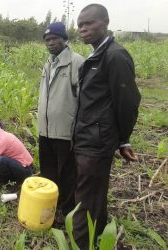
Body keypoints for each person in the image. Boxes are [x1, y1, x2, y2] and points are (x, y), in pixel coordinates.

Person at [73, 4, 141, 249]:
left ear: (105, 22)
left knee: (84, 200)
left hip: (96, 141)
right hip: (88, 137)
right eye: (80, 24)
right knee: (94, 194)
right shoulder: (95, 56)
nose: (82, 29)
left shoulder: (114, 56)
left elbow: (128, 102)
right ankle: (97, 236)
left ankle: (80, 244)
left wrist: (124, 139)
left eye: (88, 23)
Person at [37, 22, 84, 222]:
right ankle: (51, 206)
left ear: (65, 39)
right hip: (45, 130)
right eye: (47, 40)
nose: (51, 43)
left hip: (65, 131)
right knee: (48, 171)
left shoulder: (76, 62)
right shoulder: (48, 63)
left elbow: (83, 99)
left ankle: (67, 212)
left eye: (55, 38)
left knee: (67, 174)